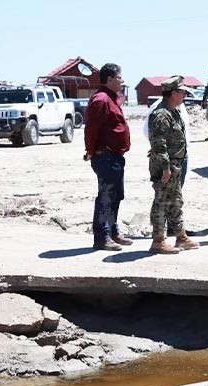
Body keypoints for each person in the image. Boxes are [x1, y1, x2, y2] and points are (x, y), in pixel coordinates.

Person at [147, 76, 200, 254]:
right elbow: (158, 142)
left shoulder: (173, 111)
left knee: (176, 201)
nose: (185, 94)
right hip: (166, 167)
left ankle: (180, 237)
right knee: (161, 202)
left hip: (175, 165)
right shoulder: (161, 114)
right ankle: (158, 240)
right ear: (173, 93)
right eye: (182, 91)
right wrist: (165, 166)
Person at [85, 63, 133, 251]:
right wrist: (91, 151)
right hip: (105, 156)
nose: (123, 81)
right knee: (106, 196)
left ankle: (113, 231)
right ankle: (102, 236)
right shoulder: (101, 100)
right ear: (110, 79)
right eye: (120, 77)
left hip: (115, 156)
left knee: (116, 196)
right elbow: (91, 129)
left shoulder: (113, 99)